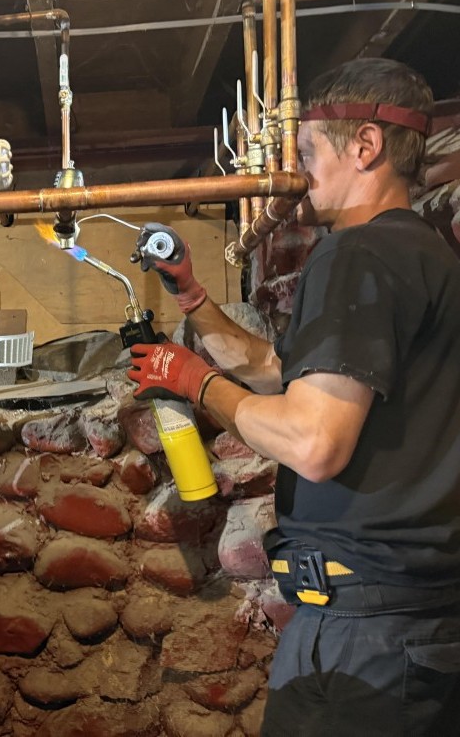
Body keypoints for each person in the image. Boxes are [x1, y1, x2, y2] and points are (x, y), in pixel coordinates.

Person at [127, 57, 460, 737]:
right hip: (411, 623)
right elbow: (281, 372)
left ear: (365, 145)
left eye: (308, 153)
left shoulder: (357, 254)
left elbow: (312, 439)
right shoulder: (425, 253)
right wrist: (190, 295)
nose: (300, 173)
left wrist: (194, 383)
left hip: (364, 637)